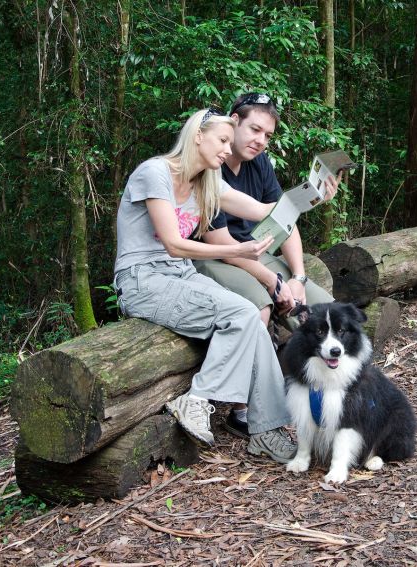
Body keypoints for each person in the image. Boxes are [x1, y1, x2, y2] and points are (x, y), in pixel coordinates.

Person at [113, 108, 298, 464]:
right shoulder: (156, 173)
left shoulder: (207, 182)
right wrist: (235, 249)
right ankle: (198, 399)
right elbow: (173, 243)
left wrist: (313, 195)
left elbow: (264, 210)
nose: (229, 150)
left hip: (180, 276)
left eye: (231, 143)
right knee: (243, 315)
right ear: (198, 135)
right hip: (142, 279)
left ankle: (266, 430)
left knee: (254, 325)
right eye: (223, 140)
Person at [192, 94, 339, 438]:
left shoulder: (260, 164)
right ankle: (243, 410)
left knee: (327, 312)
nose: (260, 140)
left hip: (258, 251)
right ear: (233, 122)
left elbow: (283, 218)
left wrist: (298, 277)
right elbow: (221, 246)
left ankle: (328, 398)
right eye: (254, 129)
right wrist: (273, 282)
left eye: (268, 135)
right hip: (218, 255)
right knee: (256, 307)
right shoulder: (212, 165)